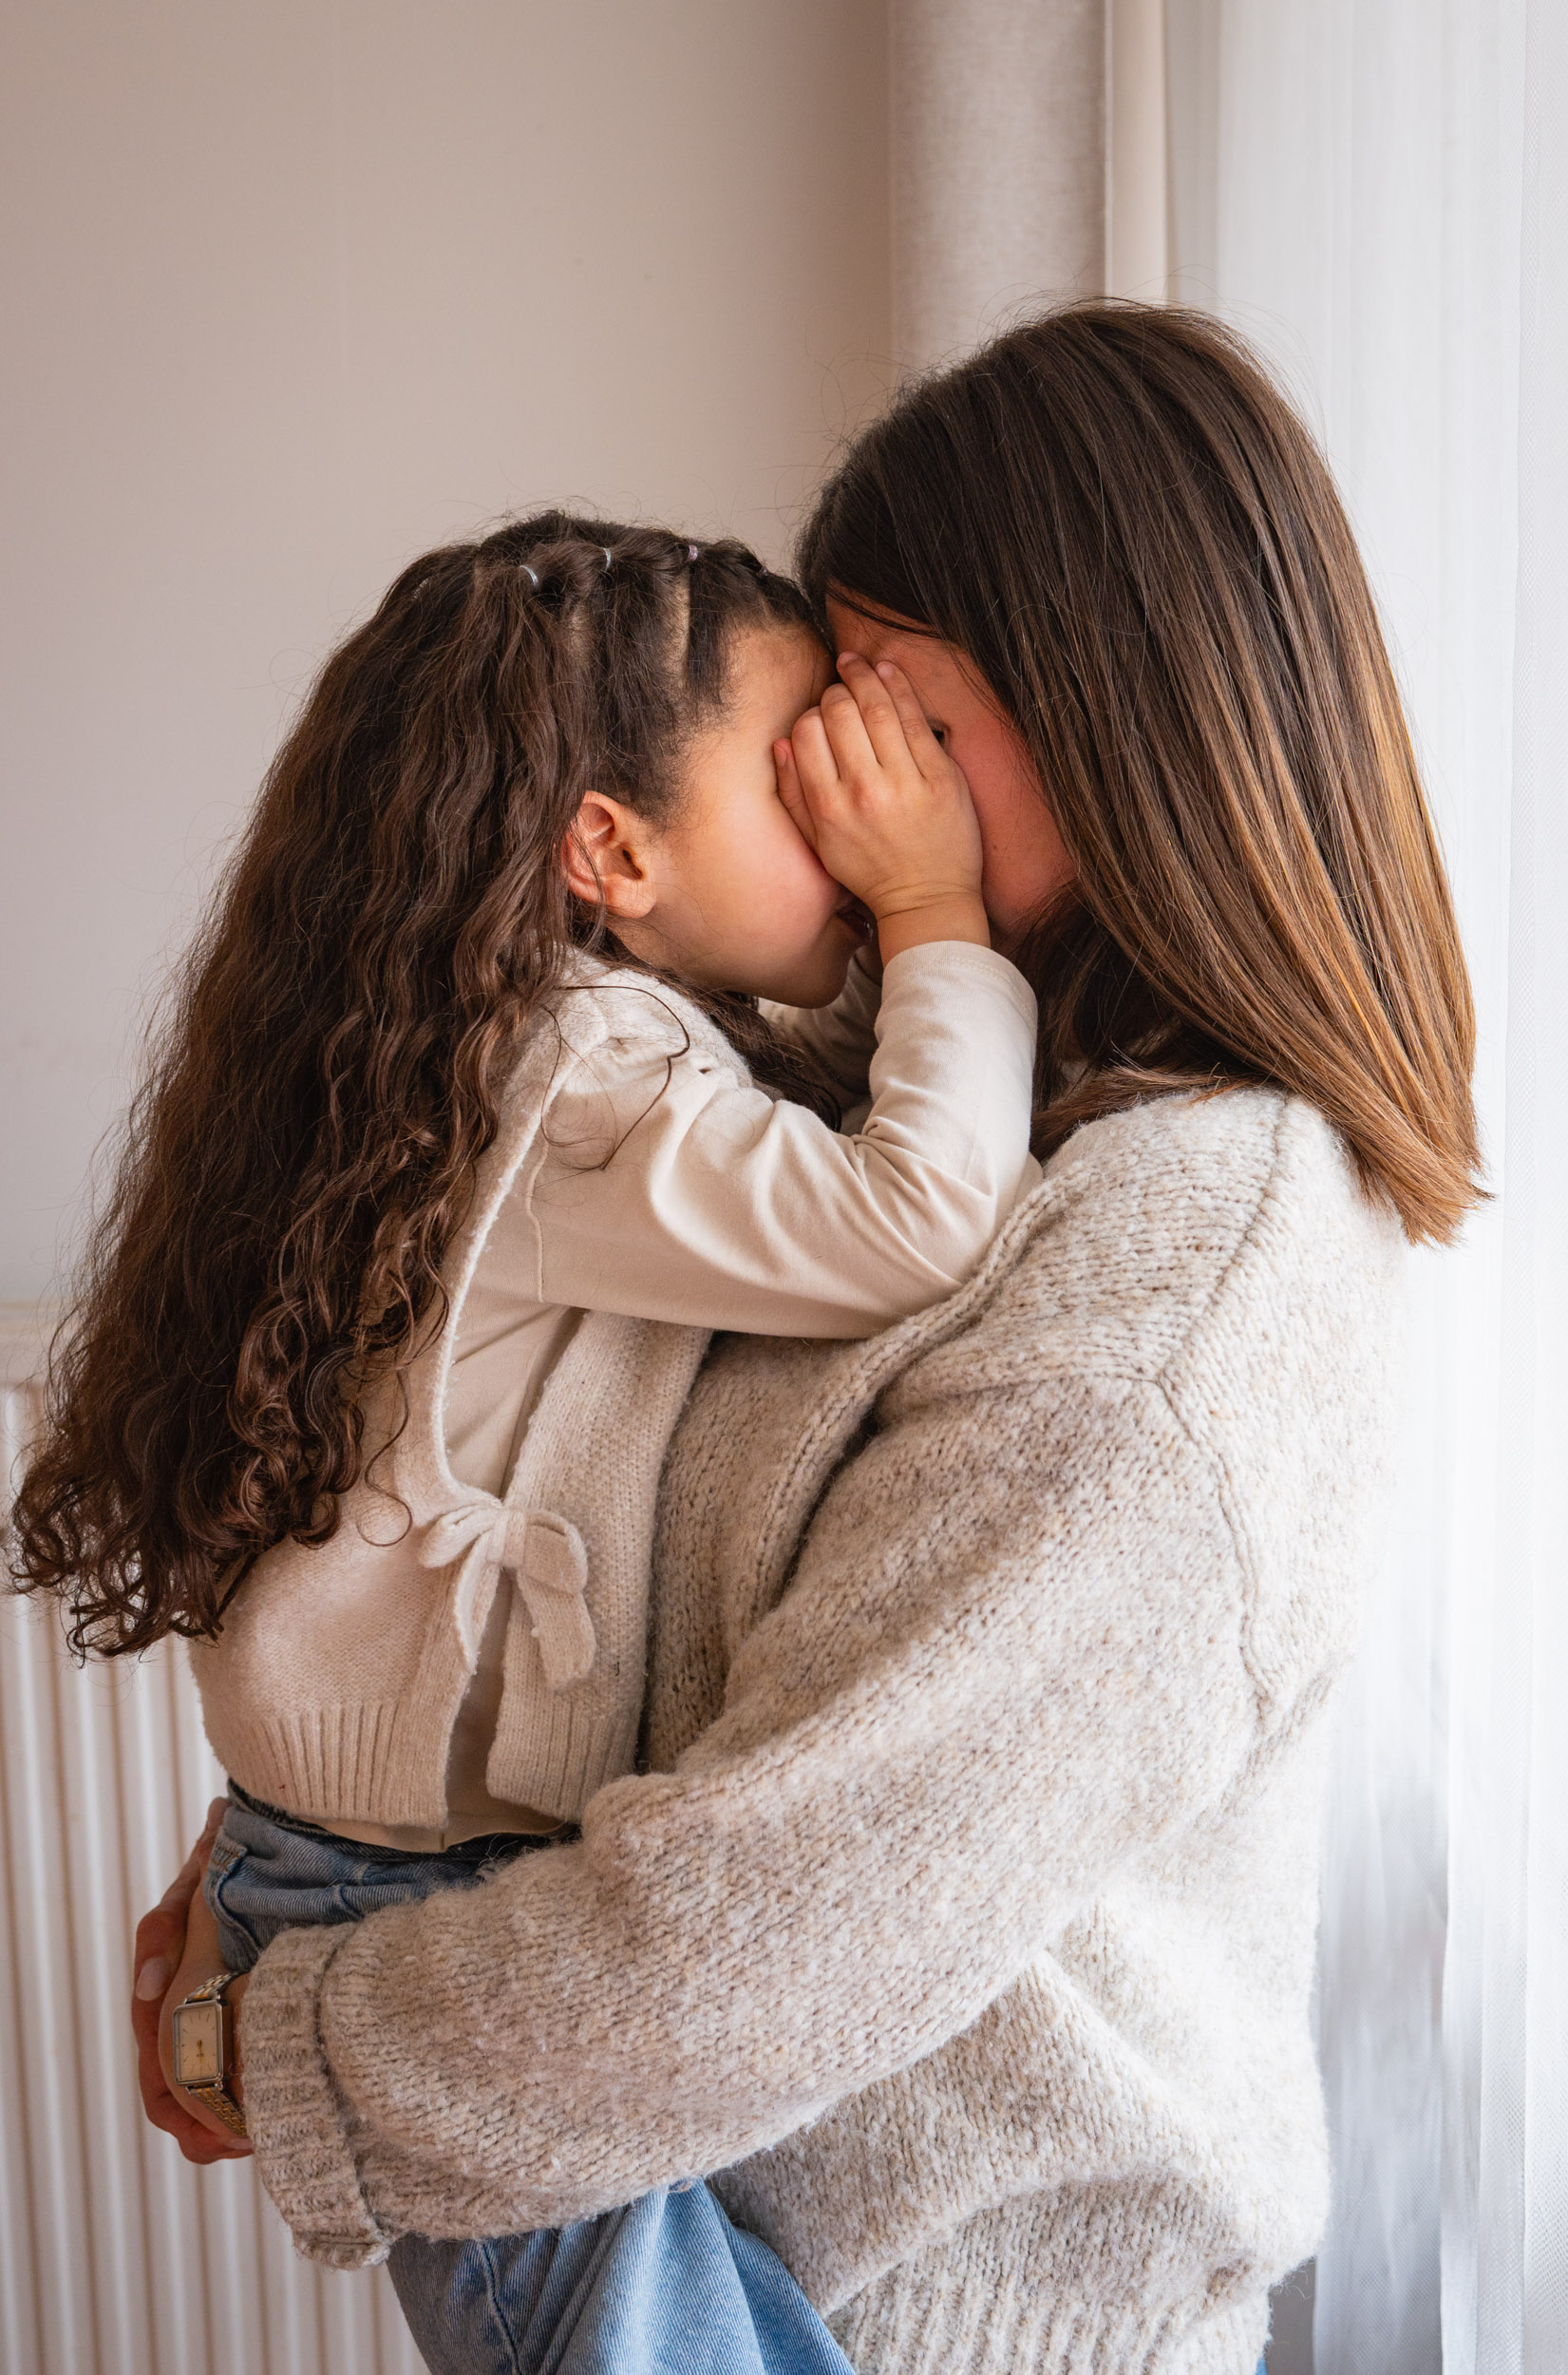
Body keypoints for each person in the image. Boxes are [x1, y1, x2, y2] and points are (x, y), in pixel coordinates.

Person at [127, 301, 1478, 2375]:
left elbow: (752, 1931)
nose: (856, 808)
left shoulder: (1188, 1278)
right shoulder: (879, 1080)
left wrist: (277, 2029)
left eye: (893, 722)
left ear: (1114, 699)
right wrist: (291, 1853)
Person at [9, 516, 1044, 2374]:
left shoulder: (509, 1046)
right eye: (799, 756)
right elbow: (919, 1216)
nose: (849, 792)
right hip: (412, 1898)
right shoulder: (591, 1081)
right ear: (611, 850)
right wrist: (936, 905)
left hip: (345, 1856)